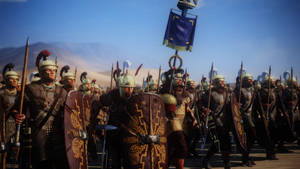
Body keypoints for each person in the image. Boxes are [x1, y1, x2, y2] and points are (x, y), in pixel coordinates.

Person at [14, 50, 69, 169]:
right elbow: (17, 109)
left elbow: (68, 114)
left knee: (58, 163)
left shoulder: (62, 91)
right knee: (41, 163)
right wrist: (19, 116)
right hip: (38, 133)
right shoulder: (30, 89)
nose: (52, 73)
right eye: (48, 70)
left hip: (58, 135)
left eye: (54, 71)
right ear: (41, 72)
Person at [0, 63, 21, 169]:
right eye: (11, 79)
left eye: (15, 79)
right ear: (6, 80)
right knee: (3, 151)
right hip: (3, 125)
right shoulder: (1, 93)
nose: (14, 81)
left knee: (16, 152)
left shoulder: (20, 95)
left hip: (17, 126)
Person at [253, 75, 278, 160]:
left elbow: (275, 104)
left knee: (273, 135)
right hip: (263, 117)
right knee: (267, 136)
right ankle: (269, 153)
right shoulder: (261, 93)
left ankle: (272, 152)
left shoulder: (274, 92)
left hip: (272, 116)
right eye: (272, 81)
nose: (274, 83)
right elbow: (256, 106)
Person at [233, 73, 256, 166]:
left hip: (250, 117)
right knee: (243, 139)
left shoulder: (252, 90)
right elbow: (234, 104)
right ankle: (245, 158)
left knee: (252, 137)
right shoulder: (239, 91)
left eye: (251, 79)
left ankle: (246, 156)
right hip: (242, 117)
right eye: (249, 80)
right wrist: (237, 105)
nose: (251, 81)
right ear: (245, 80)